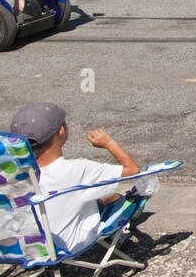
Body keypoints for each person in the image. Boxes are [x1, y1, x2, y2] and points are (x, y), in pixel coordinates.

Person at [9, 102, 141, 256]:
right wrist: (108, 143)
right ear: (61, 131)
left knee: (95, 194)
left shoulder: (12, 174)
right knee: (116, 197)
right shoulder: (78, 169)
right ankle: (120, 236)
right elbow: (132, 170)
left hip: (25, 249)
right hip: (68, 246)